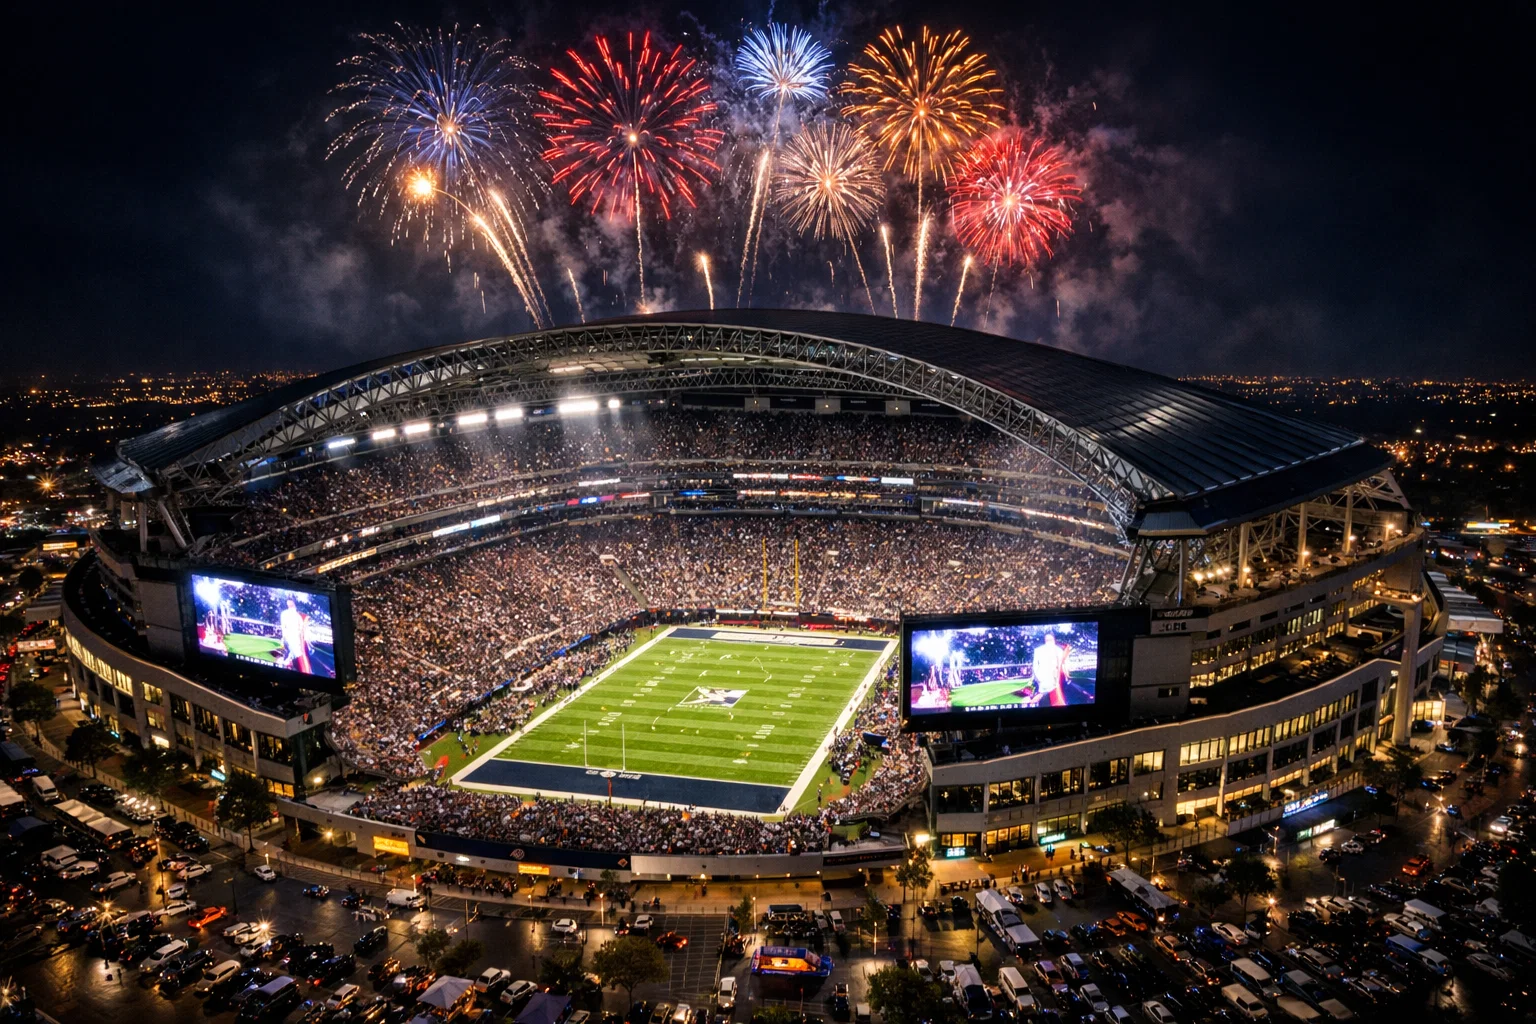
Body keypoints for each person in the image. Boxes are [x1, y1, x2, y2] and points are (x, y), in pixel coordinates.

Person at [1031, 633, 1070, 707]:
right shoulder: (1059, 650)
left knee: (1046, 705)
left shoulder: (1039, 650)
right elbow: (1064, 666)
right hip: (1051, 684)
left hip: (1049, 684)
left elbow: (1035, 667)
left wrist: (1040, 679)